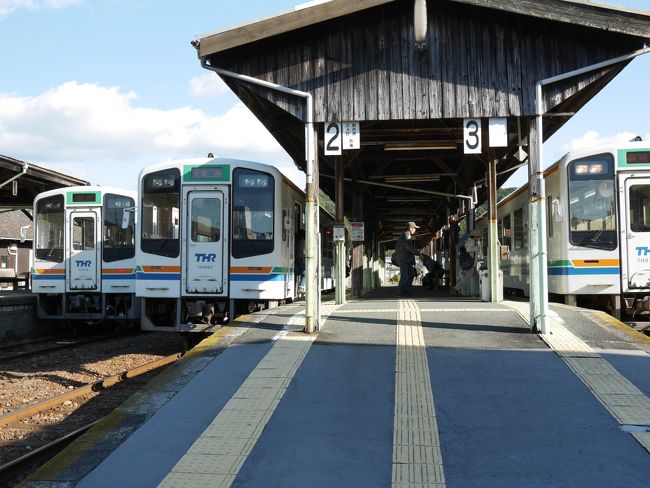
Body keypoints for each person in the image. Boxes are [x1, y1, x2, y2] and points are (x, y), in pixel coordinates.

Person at [395, 221, 422, 297]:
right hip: (404, 259)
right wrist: (419, 254)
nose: (415, 230)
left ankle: (406, 290)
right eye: (414, 228)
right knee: (405, 276)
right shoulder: (406, 235)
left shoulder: (406, 235)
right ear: (410, 228)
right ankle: (399, 293)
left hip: (406, 259)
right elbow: (409, 247)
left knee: (411, 274)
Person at [451, 230, 479, 296]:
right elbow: (468, 250)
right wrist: (477, 248)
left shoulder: (470, 241)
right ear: (474, 236)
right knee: (466, 279)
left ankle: (478, 292)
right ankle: (456, 289)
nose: (478, 238)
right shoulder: (471, 241)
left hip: (472, 264)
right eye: (477, 236)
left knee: (477, 278)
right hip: (470, 264)